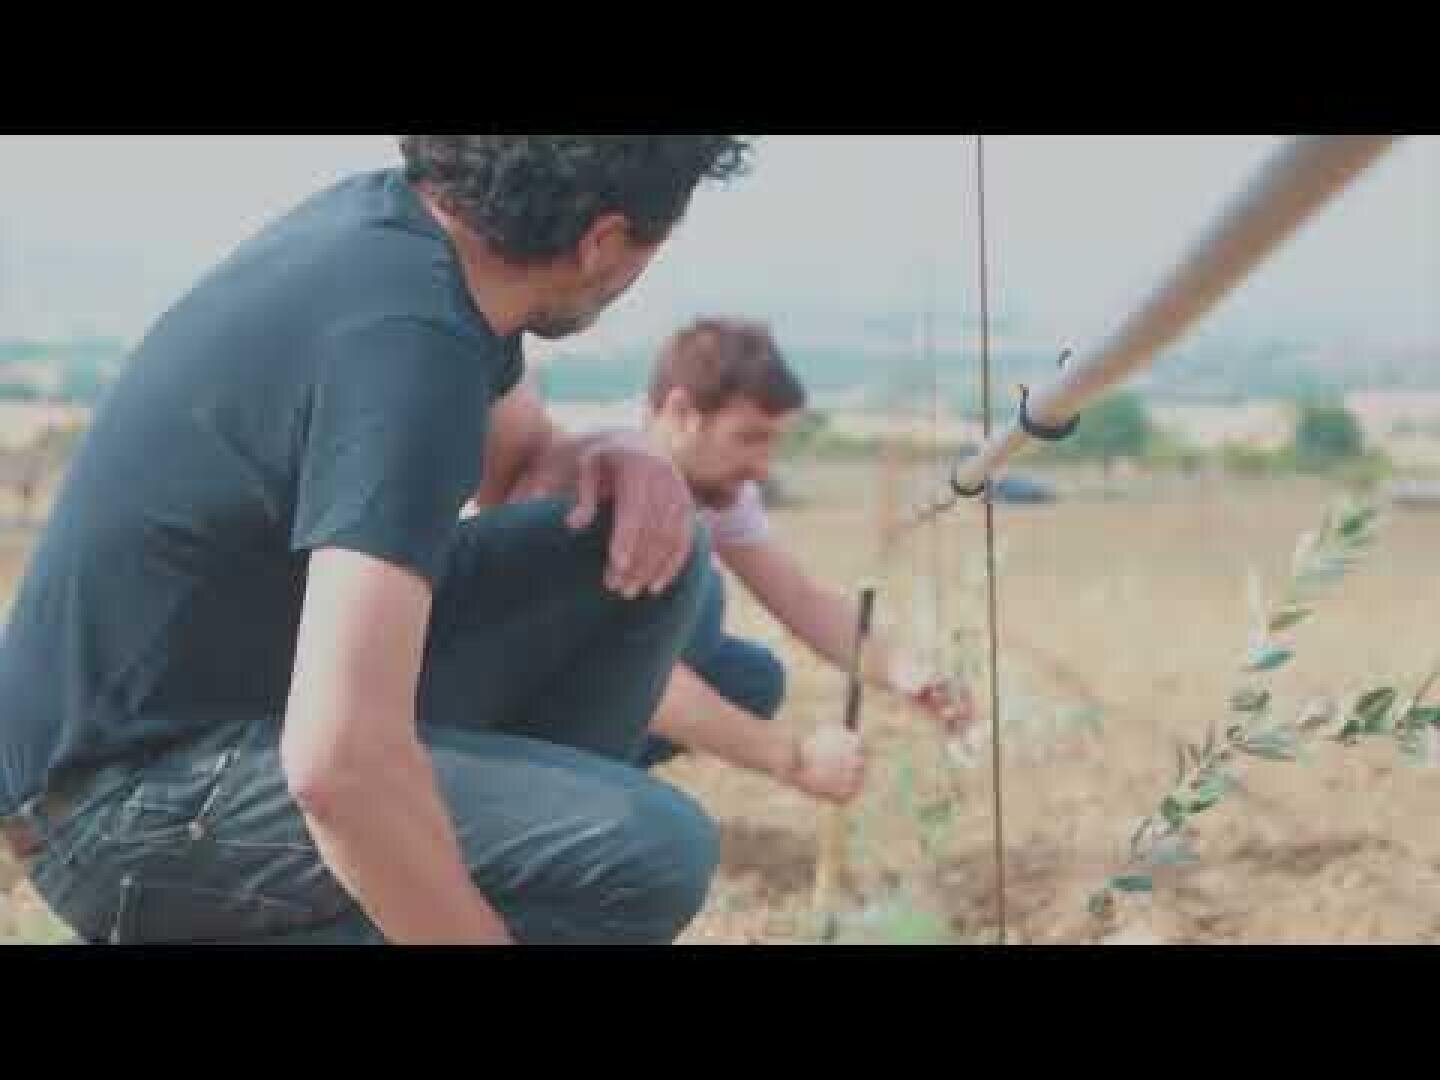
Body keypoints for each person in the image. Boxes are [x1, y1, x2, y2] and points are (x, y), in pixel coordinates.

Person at [0, 135, 752, 946]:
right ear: (602, 243)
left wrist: (623, 454)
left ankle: (474, 875)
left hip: (227, 711)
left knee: (633, 554)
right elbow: (338, 766)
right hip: (119, 808)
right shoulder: (410, 345)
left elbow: (523, 457)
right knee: (648, 850)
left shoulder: (399, 236)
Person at [507, 318, 975, 806]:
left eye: (772, 441)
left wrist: (904, 672)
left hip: (590, 682)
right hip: (499, 701)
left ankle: (604, 778)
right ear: (682, 412)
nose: (763, 466)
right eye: (749, 438)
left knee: (751, 678)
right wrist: (795, 759)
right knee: (700, 595)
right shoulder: (596, 484)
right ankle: (566, 794)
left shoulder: (712, 485)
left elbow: (799, 598)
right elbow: (622, 671)